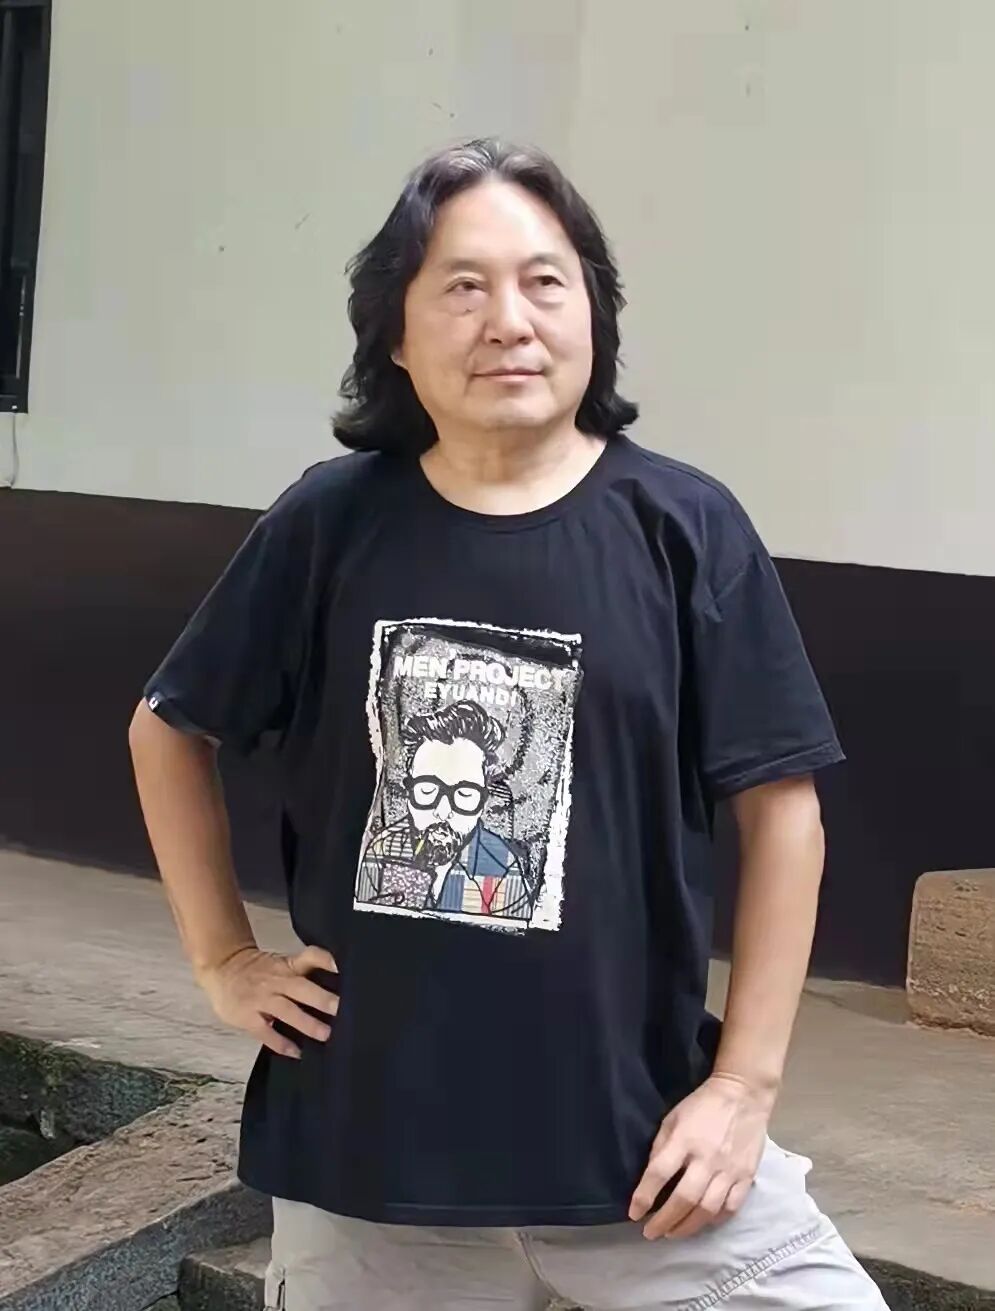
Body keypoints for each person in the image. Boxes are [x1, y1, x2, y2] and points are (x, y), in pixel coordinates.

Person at [129, 138, 889, 1309]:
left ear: (593, 312)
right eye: (461, 286)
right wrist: (224, 959)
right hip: (369, 1168)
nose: (508, 321)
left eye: (544, 281)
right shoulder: (329, 525)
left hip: (647, 1159)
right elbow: (168, 727)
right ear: (394, 333)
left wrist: (741, 1088)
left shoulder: (682, 528)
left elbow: (782, 811)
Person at [356, 700, 532, 920]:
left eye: (465, 794)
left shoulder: (503, 865)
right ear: (409, 791)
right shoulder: (382, 849)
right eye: (427, 790)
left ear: (483, 801)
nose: (442, 811)